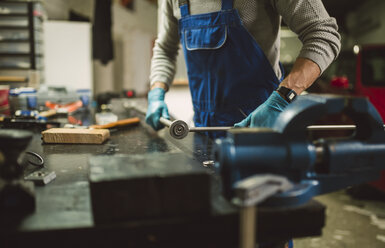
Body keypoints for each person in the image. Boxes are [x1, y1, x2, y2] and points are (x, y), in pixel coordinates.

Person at [146, 0, 341, 135]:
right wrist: (156, 94)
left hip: (262, 131)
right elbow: (165, 49)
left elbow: (323, 34)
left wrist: (283, 99)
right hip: (203, 129)